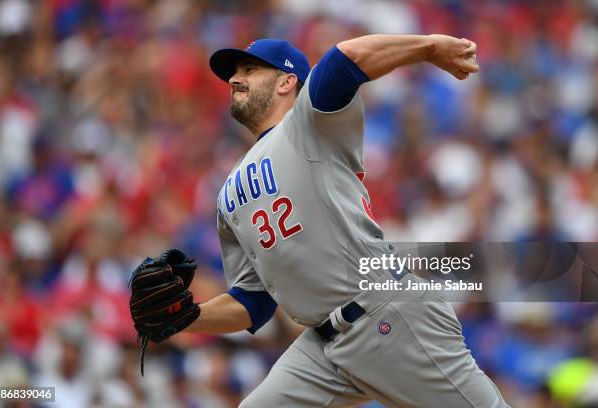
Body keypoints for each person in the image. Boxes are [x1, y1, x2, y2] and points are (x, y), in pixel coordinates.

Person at [182, 34, 508, 407]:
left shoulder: (310, 123)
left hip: (385, 314)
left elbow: (344, 59)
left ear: (288, 81)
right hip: (321, 349)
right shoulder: (227, 196)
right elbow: (252, 303)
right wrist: (187, 317)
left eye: (250, 70)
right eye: (234, 74)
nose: (235, 80)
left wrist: (431, 47)